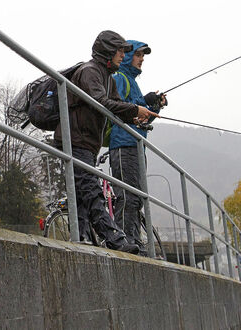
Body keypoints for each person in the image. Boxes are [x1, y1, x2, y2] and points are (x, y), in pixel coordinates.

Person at [54, 31, 159, 254]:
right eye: (120, 51)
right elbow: (101, 102)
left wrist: (138, 115)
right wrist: (133, 109)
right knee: (92, 192)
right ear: (108, 52)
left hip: (88, 144)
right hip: (75, 140)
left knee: (83, 196)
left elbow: (117, 106)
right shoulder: (90, 71)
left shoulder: (108, 78)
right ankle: (115, 240)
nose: (123, 55)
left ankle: (81, 239)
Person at [109, 40, 168, 254]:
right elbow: (117, 109)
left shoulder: (133, 82)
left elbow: (139, 119)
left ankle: (133, 241)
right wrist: (143, 103)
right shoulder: (120, 79)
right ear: (127, 56)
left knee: (138, 198)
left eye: (143, 55)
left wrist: (152, 105)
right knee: (128, 196)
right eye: (139, 54)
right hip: (123, 145)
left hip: (136, 145)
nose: (142, 59)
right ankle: (124, 242)